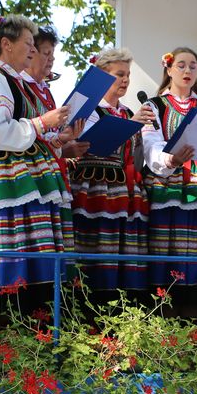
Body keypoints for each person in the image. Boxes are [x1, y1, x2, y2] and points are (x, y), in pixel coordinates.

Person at [0, 15, 76, 316]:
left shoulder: (16, 81)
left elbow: (25, 133)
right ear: (6, 44)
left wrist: (56, 138)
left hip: (24, 180)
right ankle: (8, 322)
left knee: (31, 253)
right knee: (11, 251)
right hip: (7, 182)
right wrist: (42, 123)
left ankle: (32, 321)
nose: (33, 50)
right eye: (28, 43)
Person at [141, 46, 197, 319]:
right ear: (168, 69)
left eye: (192, 65)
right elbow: (150, 144)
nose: (187, 70)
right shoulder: (154, 106)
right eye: (181, 65)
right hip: (167, 186)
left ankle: (194, 324)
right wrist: (171, 159)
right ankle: (164, 321)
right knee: (167, 249)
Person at [67, 48, 149, 308]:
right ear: (103, 76)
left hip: (125, 190)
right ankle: (89, 309)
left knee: (122, 252)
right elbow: (93, 143)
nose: (125, 80)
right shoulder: (89, 109)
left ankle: (122, 309)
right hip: (94, 188)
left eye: (128, 75)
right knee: (96, 247)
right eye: (119, 74)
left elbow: (136, 156)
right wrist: (132, 124)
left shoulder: (126, 111)